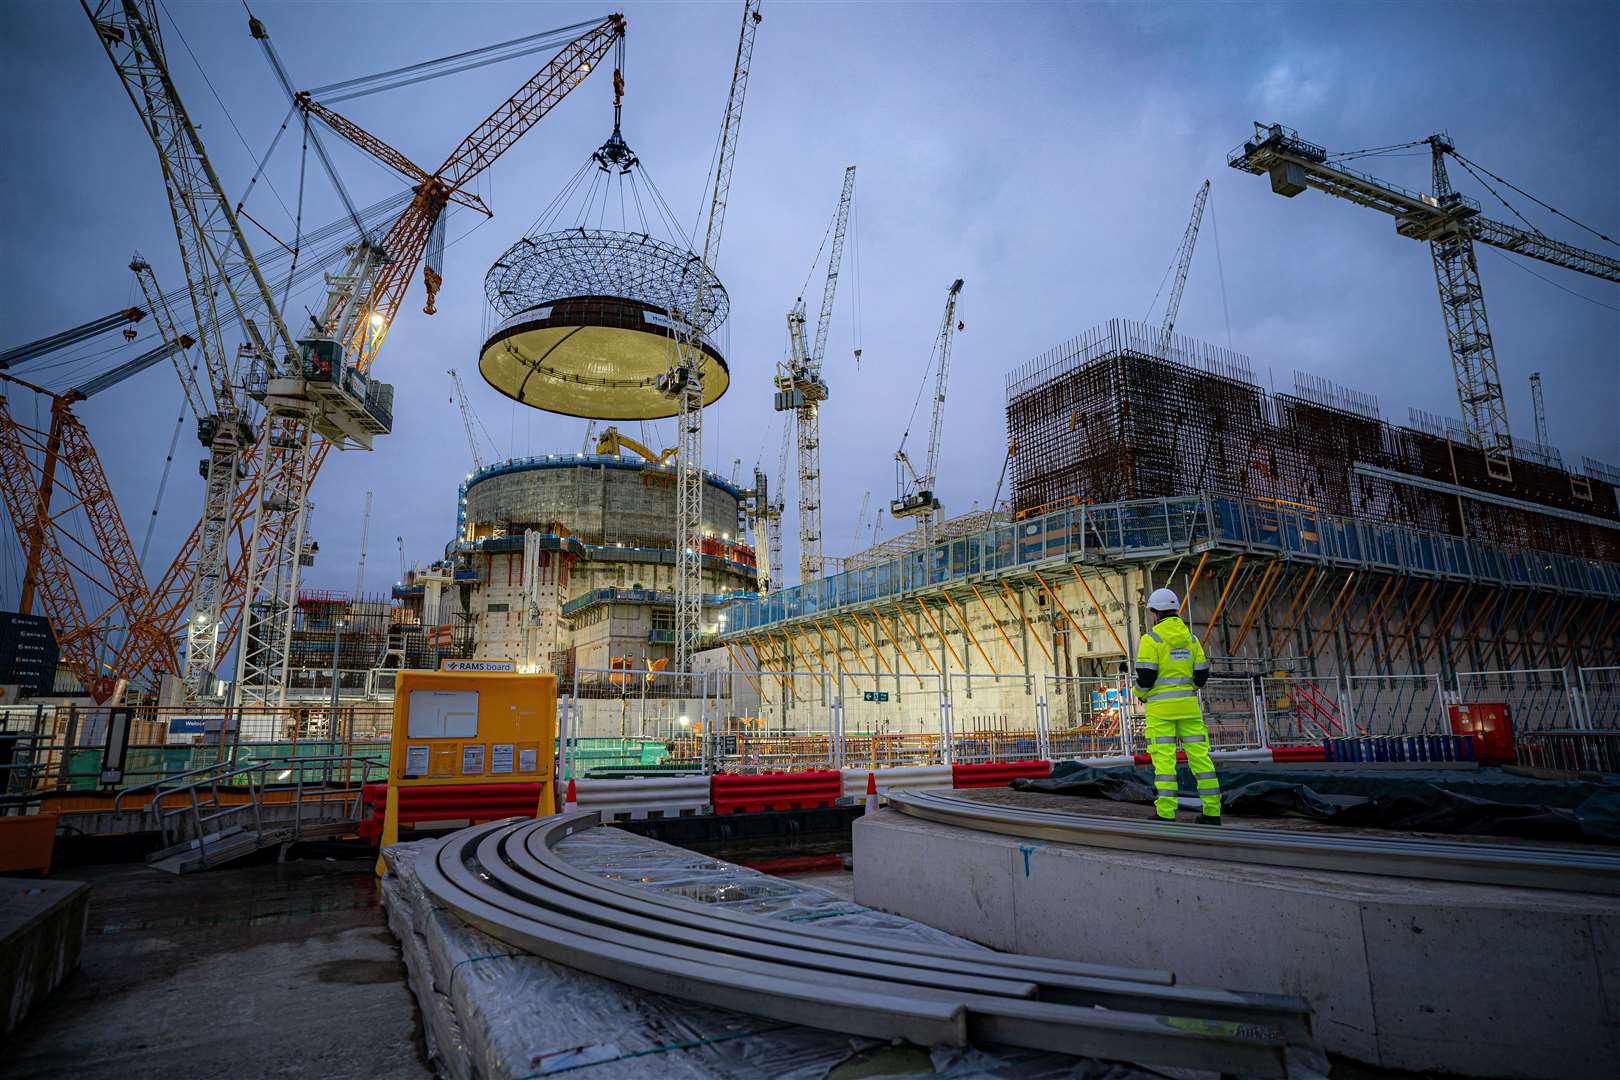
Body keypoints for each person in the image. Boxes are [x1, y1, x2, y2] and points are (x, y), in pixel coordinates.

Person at [1134, 588, 1219, 824]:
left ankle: (1166, 812)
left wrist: (1138, 693)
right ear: (1175, 610)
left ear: (1154, 613)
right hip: (1189, 709)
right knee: (1201, 760)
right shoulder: (1191, 639)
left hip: (1160, 712)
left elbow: (1146, 677)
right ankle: (1213, 812)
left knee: (1164, 763)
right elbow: (1201, 676)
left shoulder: (1151, 640)